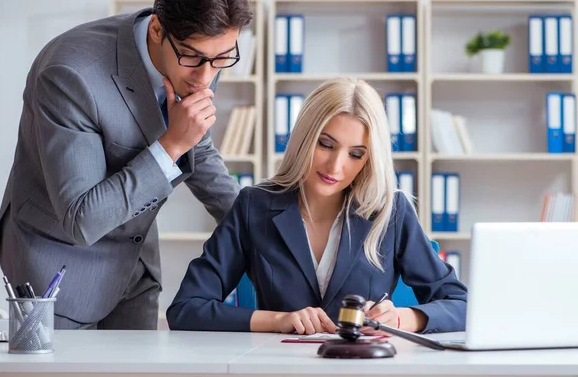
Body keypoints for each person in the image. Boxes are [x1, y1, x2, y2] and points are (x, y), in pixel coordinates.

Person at [0, 0, 252, 330]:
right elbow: (82, 219)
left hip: (136, 268)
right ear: (158, 30)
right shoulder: (70, 75)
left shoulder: (202, 57)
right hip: (57, 271)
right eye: (194, 58)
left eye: (223, 58)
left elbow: (197, 144)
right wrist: (171, 146)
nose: (206, 79)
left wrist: (260, 231)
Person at [167, 78, 467, 335]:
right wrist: (278, 320)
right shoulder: (254, 206)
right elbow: (186, 309)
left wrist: (404, 317)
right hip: (283, 368)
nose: (336, 166)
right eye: (325, 144)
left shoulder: (391, 211)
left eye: (356, 154)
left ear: (370, 159)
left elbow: (461, 305)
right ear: (304, 138)